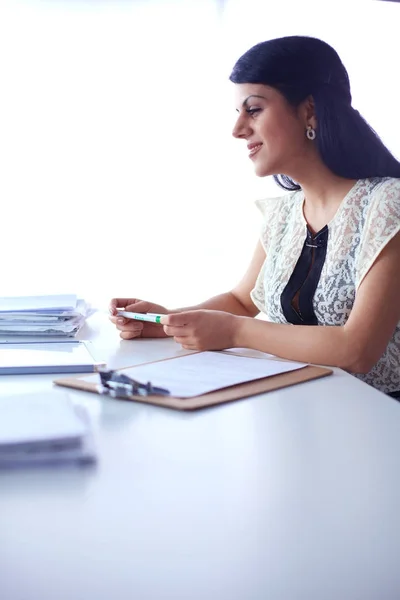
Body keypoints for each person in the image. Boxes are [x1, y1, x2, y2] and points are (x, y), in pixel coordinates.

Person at [110, 35, 400, 396]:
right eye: (238, 113)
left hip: (379, 424)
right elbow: (242, 301)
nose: (238, 130)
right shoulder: (284, 215)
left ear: (309, 110)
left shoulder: (388, 203)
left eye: (255, 109)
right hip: (302, 410)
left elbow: (357, 350)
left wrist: (234, 331)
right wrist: (168, 321)